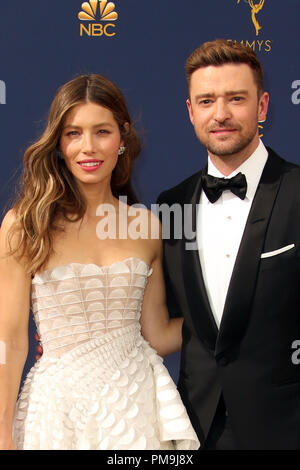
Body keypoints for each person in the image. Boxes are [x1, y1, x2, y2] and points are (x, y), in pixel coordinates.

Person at [0, 74, 199, 450]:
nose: (87, 147)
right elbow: (8, 340)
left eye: (102, 132)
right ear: (58, 143)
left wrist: (228, 311)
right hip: (57, 413)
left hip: (135, 408)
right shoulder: (25, 224)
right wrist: (2, 433)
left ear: (123, 139)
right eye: (73, 133)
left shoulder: (146, 226)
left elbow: (157, 334)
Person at [157, 39, 300, 450]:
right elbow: (162, 321)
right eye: (206, 101)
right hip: (194, 430)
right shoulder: (172, 204)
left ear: (263, 106)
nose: (220, 114)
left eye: (236, 98)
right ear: (190, 112)